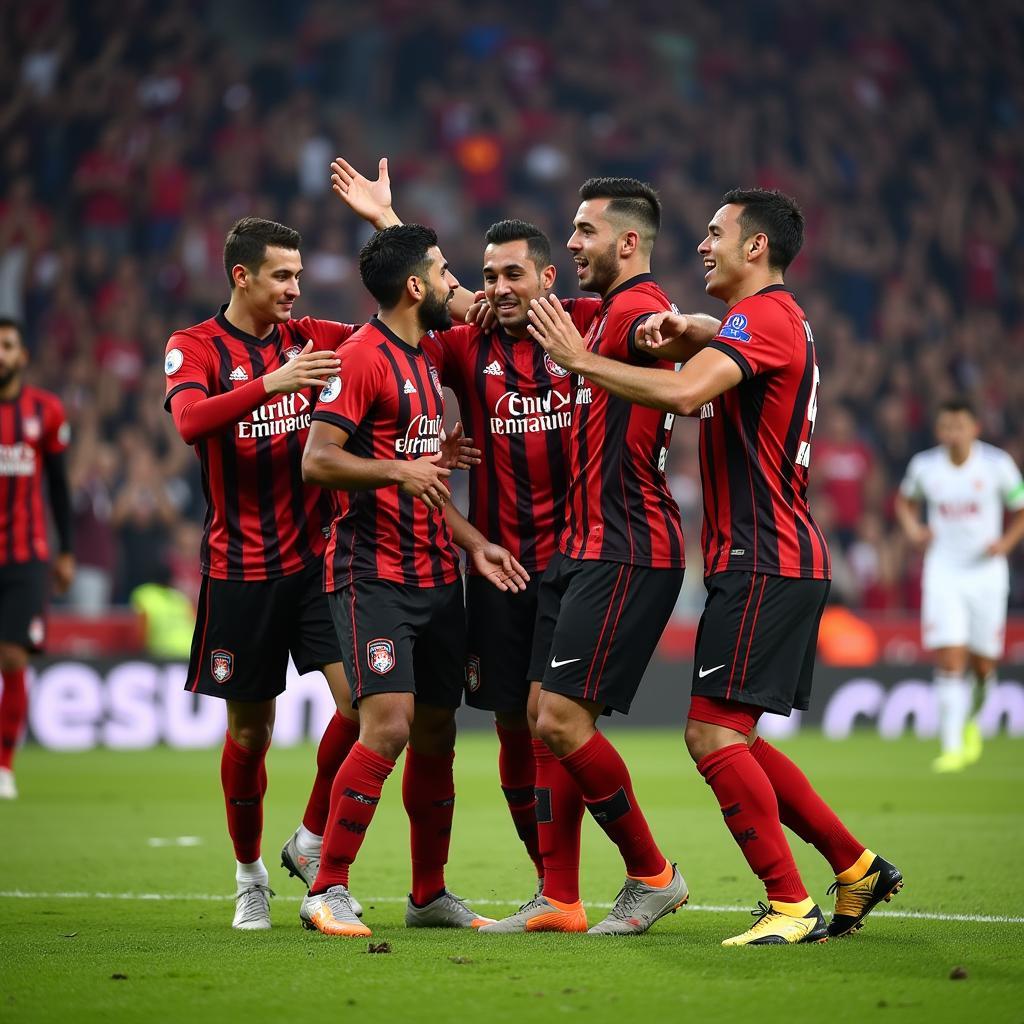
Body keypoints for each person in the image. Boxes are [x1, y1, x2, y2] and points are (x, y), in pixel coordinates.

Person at [526, 187, 903, 945]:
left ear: (755, 247)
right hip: (766, 556)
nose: (702, 245)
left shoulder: (763, 318)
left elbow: (686, 393)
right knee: (737, 737)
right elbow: (714, 350)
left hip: (766, 557)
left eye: (715, 233)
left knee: (713, 738)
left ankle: (790, 904)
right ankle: (854, 865)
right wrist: (695, 326)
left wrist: (580, 359)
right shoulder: (765, 320)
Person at [328, 155, 602, 899]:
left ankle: (572, 883)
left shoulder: (584, 329)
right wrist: (388, 225)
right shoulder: (462, 344)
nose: (499, 289)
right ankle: (549, 883)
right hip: (496, 565)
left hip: (576, 563)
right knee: (512, 727)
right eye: (490, 278)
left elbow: (657, 330)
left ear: (550, 279)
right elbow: (414, 300)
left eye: (517, 275)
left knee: (556, 722)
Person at [299, 223, 528, 938]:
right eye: (443, 268)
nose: (454, 279)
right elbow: (318, 459)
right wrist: (399, 467)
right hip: (373, 576)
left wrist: (475, 542)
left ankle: (428, 895)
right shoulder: (362, 358)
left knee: (436, 733)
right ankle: (327, 886)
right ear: (416, 286)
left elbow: (422, 480)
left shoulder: (426, 358)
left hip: (437, 574)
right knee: (389, 724)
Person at [482, 178, 690, 936]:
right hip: (582, 545)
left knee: (563, 721)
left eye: (583, 231)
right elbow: (489, 286)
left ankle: (653, 874)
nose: (569, 243)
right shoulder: (594, 316)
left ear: (627, 242)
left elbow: (676, 340)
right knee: (542, 718)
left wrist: (705, 330)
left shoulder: (634, 311)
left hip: (627, 543)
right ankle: (559, 898)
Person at [164, 216, 359, 930]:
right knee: (250, 735)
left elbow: (396, 332)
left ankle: (309, 843)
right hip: (239, 570)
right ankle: (249, 875)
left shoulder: (311, 337)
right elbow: (190, 423)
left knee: (364, 708)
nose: (294, 288)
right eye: (282, 275)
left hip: (317, 564)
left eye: (298, 275)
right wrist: (275, 383)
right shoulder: (194, 347)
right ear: (241, 274)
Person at [895, 399, 1024, 772]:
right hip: (943, 571)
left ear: (974, 429)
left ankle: (972, 723)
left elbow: (1020, 510)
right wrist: (914, 530)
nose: (953, 434)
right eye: (947, 427)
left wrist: (1006, 544)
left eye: (959, 427)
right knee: (950, 657)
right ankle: (951, 747)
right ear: (939, 431)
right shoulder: (925, 466)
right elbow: (904, 502)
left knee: (984, 664)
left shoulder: (997, 465)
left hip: (986, 573)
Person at [0, 317, 74, 799]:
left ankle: (3, 764)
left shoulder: (44, 410)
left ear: (22, 355)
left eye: (6, 345)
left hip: (27, 557)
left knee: (11, 656)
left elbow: (60, 486)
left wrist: (65, 551)